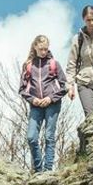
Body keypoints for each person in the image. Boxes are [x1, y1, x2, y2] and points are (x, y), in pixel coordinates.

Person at [19, 34, 67, 173]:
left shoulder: (53, 64)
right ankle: (39, 171)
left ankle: (48, 170)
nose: (44, 52)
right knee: (31, 137)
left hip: (52, 104)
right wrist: (32, 99)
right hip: (36, 105)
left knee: (49, 136)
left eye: (46, 49)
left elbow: (64, 86)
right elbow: (22, 89)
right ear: (35, 47)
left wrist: (51, 98)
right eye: (41, 49)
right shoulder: (28, 66)